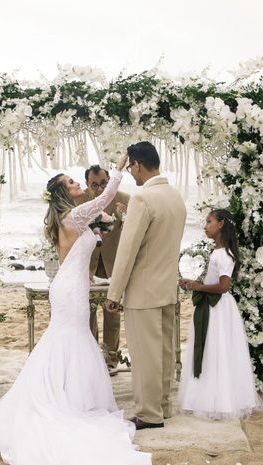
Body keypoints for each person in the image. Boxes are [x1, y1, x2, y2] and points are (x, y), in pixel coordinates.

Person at [0, 154, 152, 465]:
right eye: (72, 183)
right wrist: (117, 171)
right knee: (72, 338)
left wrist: (100, 231)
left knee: (69, 339)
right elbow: (104, 198)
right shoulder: (75, 215)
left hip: (70, 286)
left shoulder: (71, 220)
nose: (77, 184)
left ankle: (68, 394)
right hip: (71, 290)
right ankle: (68, 402)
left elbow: (87, 241)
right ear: (64, 193)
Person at [105, 141, 187, 430]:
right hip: (167, 287)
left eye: (131, 168)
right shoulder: (175, 197)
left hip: (142, 290)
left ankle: (148, 413)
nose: (131, 174)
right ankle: (163, 406)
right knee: (163, 352)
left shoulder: (142, 199)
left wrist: (114, 294)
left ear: (137, 165)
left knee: (145, 355)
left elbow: (128, 251)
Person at [178, 209, 263, 420]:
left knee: (215, 350)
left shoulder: (223, 254)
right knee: (213, 351)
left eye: (209, 222)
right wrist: (194, 284)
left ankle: (216, 400)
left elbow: (224, 286)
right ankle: (211, 396)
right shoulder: (219, 252)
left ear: (221, 225)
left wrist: (199, 286)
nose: (205, 226)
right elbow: (213, 282)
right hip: (216, 306)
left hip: (217, 309)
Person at [81, 164, 130, 370]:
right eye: (94, 185)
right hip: (88, 265)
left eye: (103, 183)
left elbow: (133, 233)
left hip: (113, 264)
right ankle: (92, 359)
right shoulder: (79, 199)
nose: (100, 189)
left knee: (113, 314)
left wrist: (123, 216)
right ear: (87, 185)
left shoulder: (125, 199)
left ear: (110, 179)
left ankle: (111, 359)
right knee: (88, 314)